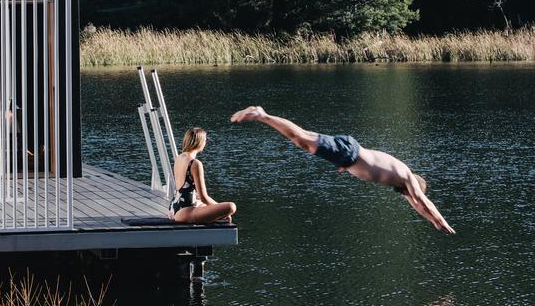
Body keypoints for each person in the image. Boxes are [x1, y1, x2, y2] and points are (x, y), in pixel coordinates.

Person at [230, 106, 455, 234]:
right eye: (412, 193)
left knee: (303, 139)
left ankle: (263, 116)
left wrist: (431, 221)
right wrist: (441, 220)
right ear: (415, 185)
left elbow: (417, 205)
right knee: (301, 139)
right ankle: (262, 114)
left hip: (348, 155)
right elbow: (423, 201)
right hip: (349, 152)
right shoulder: (407, 177)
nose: (410, 197)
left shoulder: (401, 179)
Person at [169, 126, 237, 224]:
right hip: (186, 212)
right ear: (200, 142)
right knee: (231, 207)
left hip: (174, 208)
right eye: (205, 139)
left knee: (207, 206)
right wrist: (224, 211)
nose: (206, 142)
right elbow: (203, 197)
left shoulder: (179, 158)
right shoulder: (195, 163)